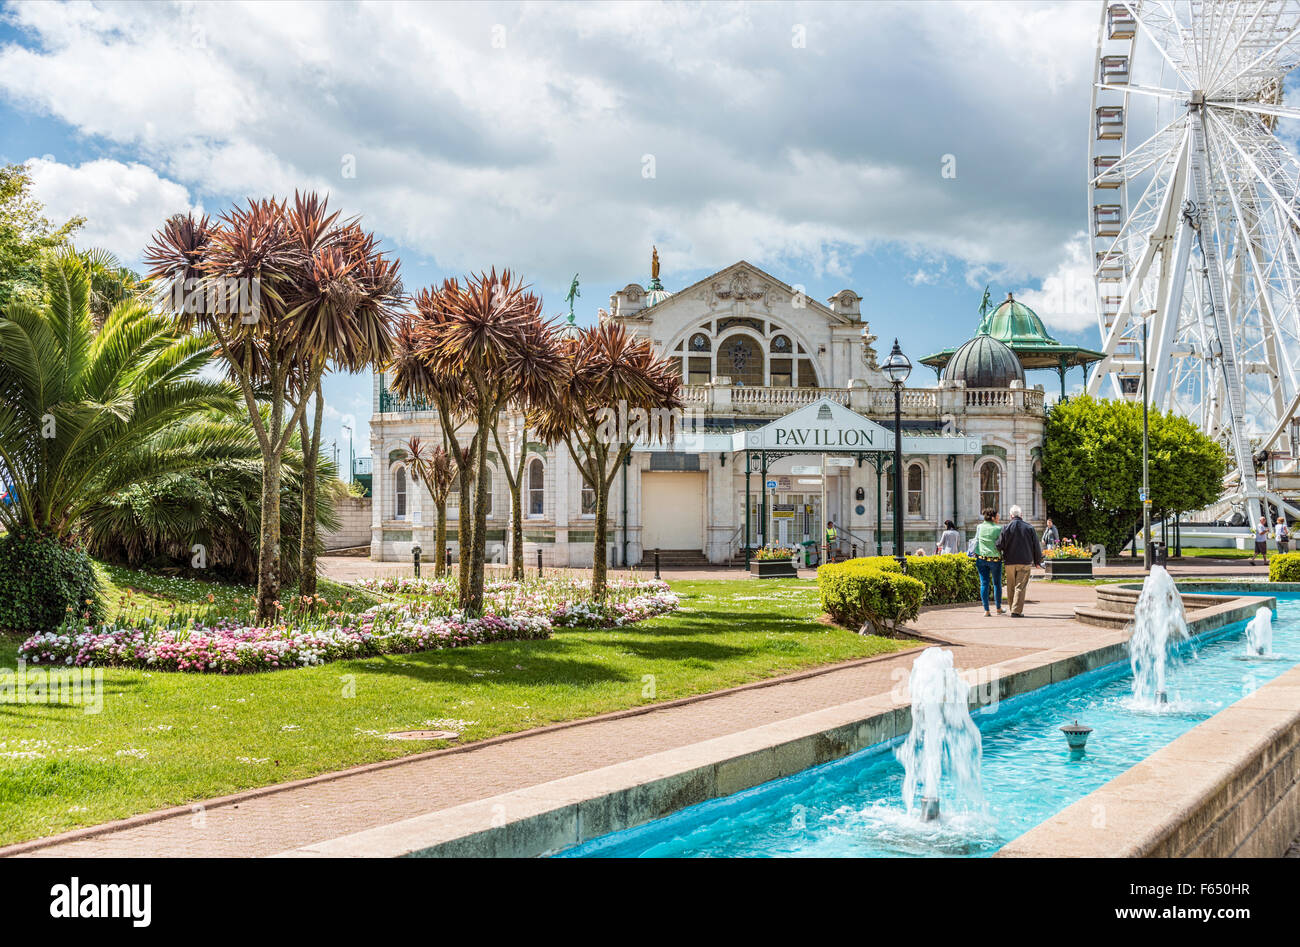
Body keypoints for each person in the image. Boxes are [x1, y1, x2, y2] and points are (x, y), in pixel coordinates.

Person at [997, 504, 1042, 618]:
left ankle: (1013, 608)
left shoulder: (1005, 528)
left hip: (1009, 561)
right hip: (1025, 561)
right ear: (1021, 515)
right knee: (1020, 586)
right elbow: (1036, 546)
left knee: (1011, 586)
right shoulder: (1029, 528)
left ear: (1011, 515)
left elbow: (999, 545)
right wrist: (1037, 561)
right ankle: (1016, 611)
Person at [974, 508, 1004, 617]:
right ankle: (998, 608)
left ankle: (986, 610)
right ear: (992, 518)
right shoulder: (998, 528)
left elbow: (976, 540)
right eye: (997, 517)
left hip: (981, 558)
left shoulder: (979, 527)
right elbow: (1002, 543)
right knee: (997, 584)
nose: (998, 519)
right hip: (995, 559)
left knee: (984, 584)